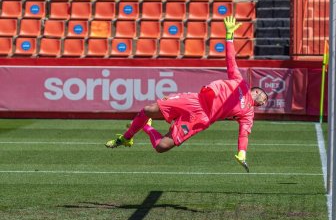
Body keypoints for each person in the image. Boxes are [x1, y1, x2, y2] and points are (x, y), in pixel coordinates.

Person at [105, 16, 268, 172]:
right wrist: (229, 36)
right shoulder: (240, 82)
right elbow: (231, 60)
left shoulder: (248, 113)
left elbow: (244, 134)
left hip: (201, 119)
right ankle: (126, 138)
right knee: (148, 109)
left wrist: (242, 153)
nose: (264, 101)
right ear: (256, 91)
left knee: (161, 147)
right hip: (194, 101)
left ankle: (147, 127)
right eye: (264, 97)